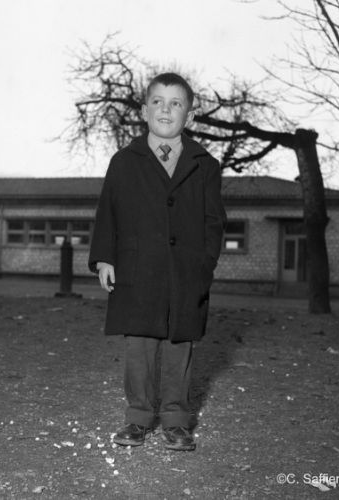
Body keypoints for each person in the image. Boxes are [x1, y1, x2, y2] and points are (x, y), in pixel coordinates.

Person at [88, 72, 226, 451]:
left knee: (180, 343)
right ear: (144, 111)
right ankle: (138, 417)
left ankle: (176, 420)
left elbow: (214, 221)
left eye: (176, 103)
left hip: (186, 270)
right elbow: (108, 212)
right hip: (137, 269)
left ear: (189, 116)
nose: (166, 110)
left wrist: (205, 263)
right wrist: (104, 258)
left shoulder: (205, 165)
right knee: (140, 344)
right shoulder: (124, 161)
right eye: (158, 102)